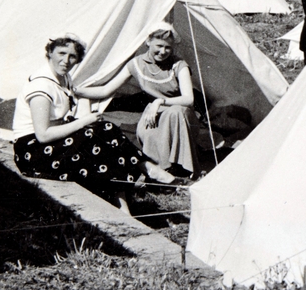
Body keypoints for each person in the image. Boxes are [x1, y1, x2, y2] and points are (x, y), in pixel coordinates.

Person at [11, 34, 175, 211]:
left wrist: (85, 117)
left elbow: (75, 100)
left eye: (72, 56)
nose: (66, 60)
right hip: (33, 151)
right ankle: (139, 181)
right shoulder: (41, 86)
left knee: (105, 129)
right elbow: (42, 135)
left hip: (52, 143)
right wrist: (83, 122)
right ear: (50, 53)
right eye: (61, 53)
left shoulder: (62, 78)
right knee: (96, 142)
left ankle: (141, 179)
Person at [76, 23, 200, 177]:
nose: (163, 52)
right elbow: (105, 90)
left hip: (180, 114)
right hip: (153, 113)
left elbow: (189, 99)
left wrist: (159, 102)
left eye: (168, 47)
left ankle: (182, 169)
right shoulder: (136, 64)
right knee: (152, 132)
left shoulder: (179, 65)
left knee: (175, 113)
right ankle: (162, 171)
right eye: (159, 45)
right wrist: (75, 90)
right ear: (148, 41)